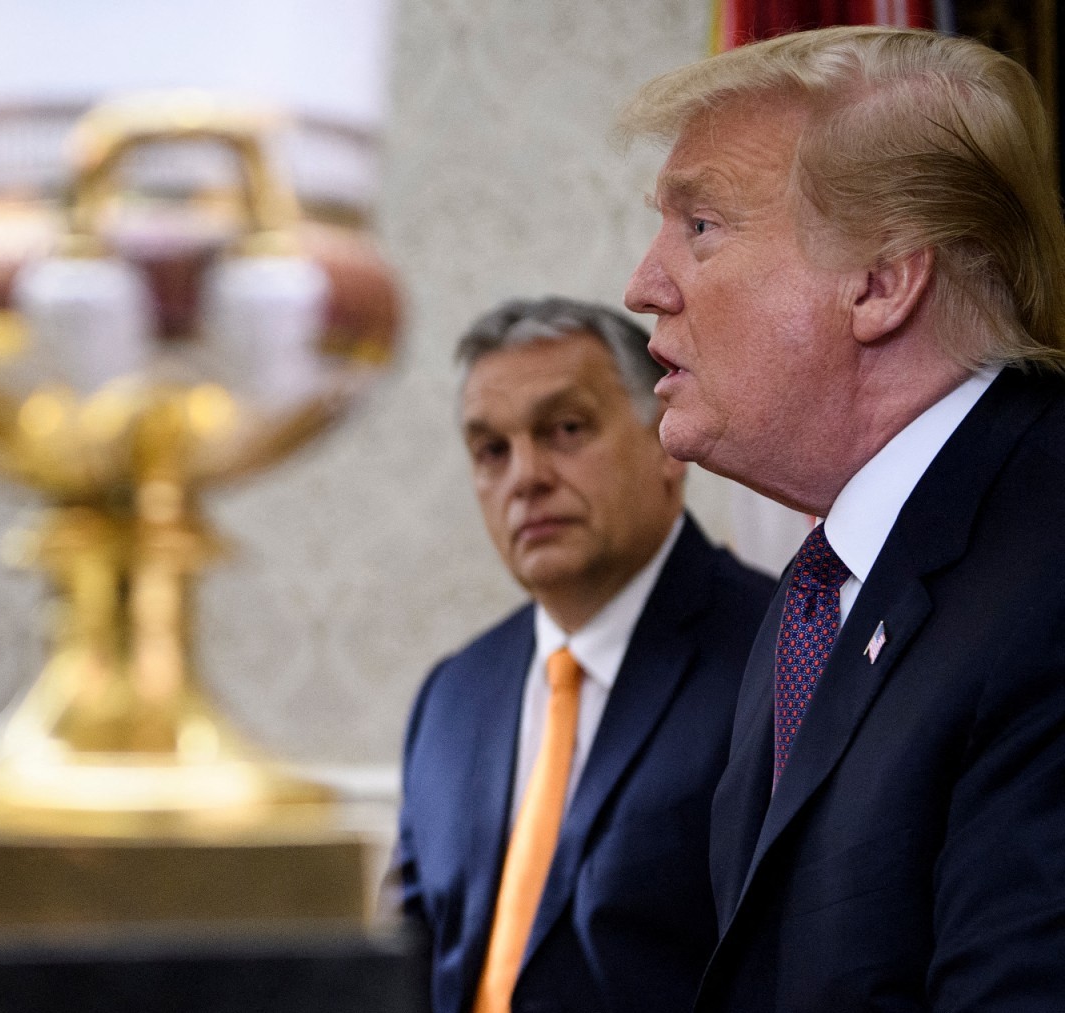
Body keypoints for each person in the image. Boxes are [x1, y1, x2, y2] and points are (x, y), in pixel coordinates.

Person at [620, 26, 1065, 1013]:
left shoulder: (1050, 574)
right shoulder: (820, 595)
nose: (644, 285)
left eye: (700, 224)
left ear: (880, 280)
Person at [398, 297, 773, 1013]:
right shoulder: (452, 696)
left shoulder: (777, 653)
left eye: (565, 429)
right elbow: (408, 968)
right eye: (492, 450)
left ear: (667, 445)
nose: (525, 476)